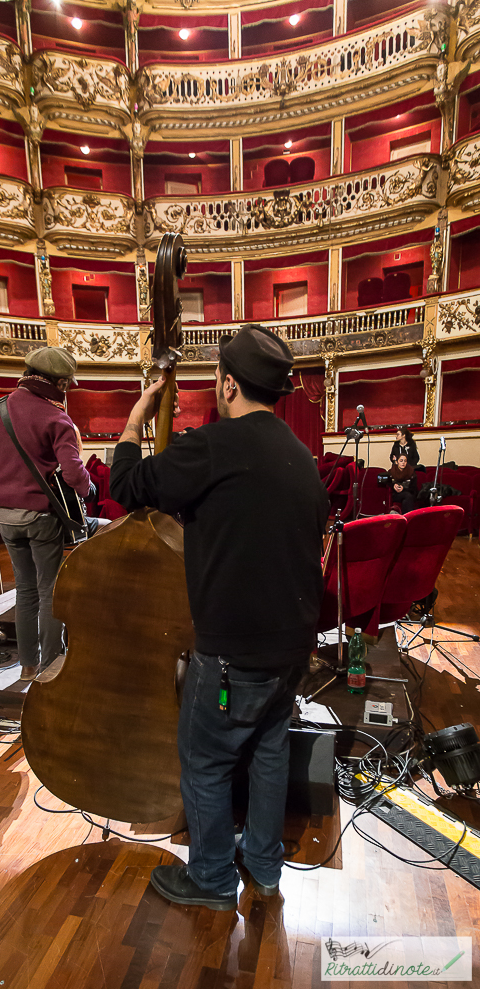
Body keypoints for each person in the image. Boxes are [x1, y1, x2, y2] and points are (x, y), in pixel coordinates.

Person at [109, 324, 329, 912]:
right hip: (291, 651)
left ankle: (210, 879)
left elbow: (127, 485)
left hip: (232, 657)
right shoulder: (301, 458)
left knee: (204, 759)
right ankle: (263, 864)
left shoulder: (212, 447)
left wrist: (138, 416)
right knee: (268, 751)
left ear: (228, 384)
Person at [0, 347, 92, 682]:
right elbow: (75, 476)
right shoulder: (55, 416)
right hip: (38, 515)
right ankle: (50, 669)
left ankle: (28, 667)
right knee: (49, 591)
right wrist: (90, 489)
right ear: (57, 381)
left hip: (3, 515)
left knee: (25, 590)